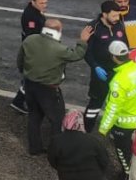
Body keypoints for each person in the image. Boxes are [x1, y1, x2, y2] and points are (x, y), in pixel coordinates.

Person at [19, 18, 95, 155]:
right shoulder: (59, 49)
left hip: (30, 85)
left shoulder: (29, 40)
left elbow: (20, 60)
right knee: (57, 120)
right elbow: (77, 54)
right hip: (49, 89)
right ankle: (56, 152)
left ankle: (34, 148)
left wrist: (26, 74)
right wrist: (82, 41)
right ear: (59, 31)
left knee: (34, 117)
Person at [99, 41, 136, 179]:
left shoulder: (119, 80)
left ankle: (127, 175)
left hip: (124, 126)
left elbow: (113, 108)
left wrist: (103, 129)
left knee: (124, 153)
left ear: (113, 57)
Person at [85, 0, 127, 132]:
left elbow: (125, 45)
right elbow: (87, 52)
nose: (117, 18)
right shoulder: (92, 28)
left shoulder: (119, 24)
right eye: (114, 16)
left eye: (118, 15)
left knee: (116, 102)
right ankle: (86, 129)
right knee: (95, 104)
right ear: (104, 14)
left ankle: (115, 130)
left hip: (118, 71)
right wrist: (95, 67)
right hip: (101, 73)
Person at [13, 0, 51, 114]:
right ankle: (19, 101)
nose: (44, 5)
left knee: (29, 79)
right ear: (32, 1)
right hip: (33, 52)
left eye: (45, 2)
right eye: (41, 3)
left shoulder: (36, 12)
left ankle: (19, 101)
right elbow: (32, 37)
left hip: (33, 50)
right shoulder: (31, 16)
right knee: (30, 79)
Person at [47, 109, 113, 180]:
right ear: (81, 122)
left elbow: (52, 160)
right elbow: (104, 160)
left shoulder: (56, 140)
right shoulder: (92, 140)